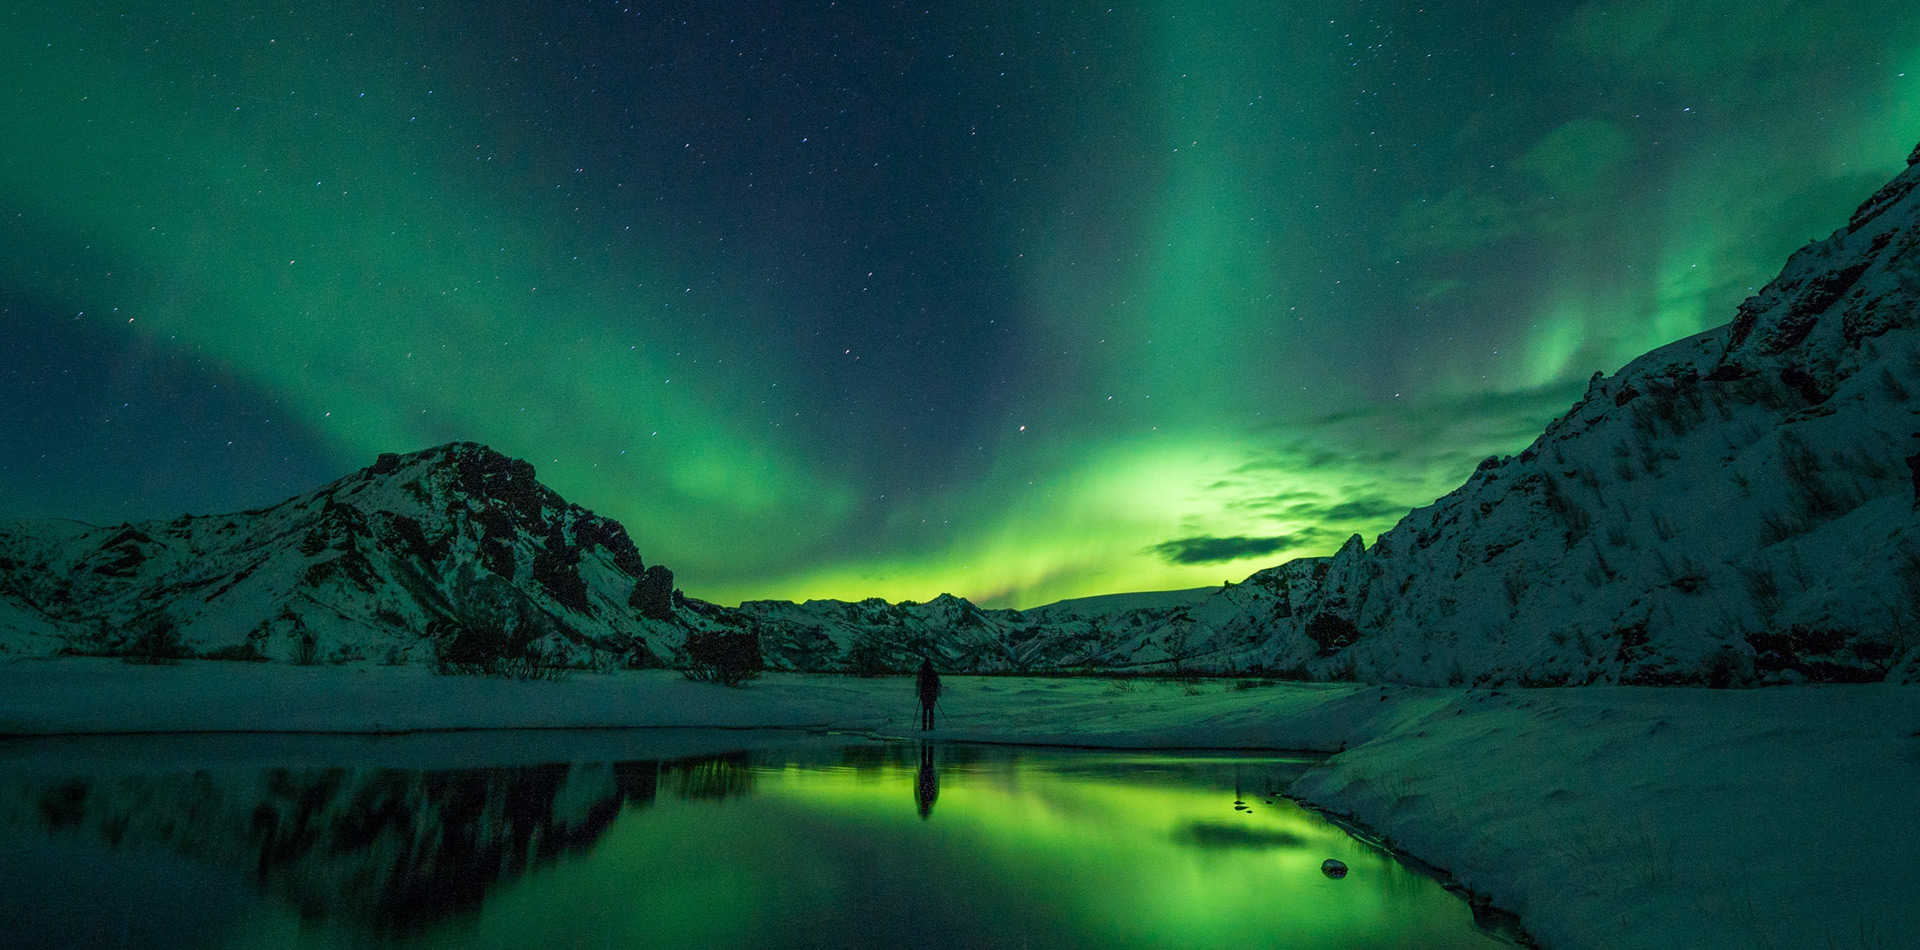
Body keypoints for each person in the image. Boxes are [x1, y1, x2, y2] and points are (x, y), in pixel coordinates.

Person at [916, 657, 941, 730]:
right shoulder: (933, 673)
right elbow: (937, 684)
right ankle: (931, 726)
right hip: (931, 693)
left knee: (924, 711)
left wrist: (919, 693)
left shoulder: (922, 673)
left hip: (924, 693)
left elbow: (919, 683)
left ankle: (924, 726)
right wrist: (936, 693)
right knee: (931, 711)